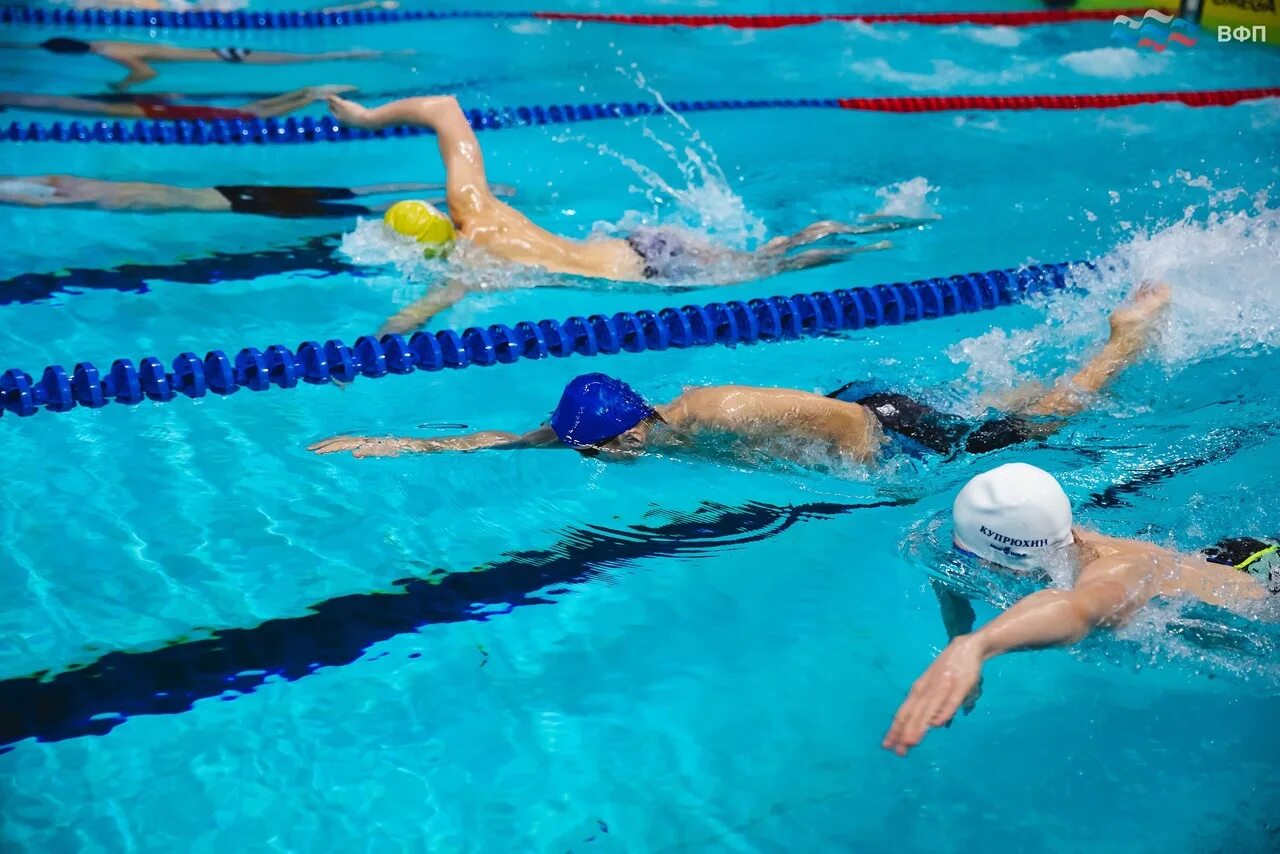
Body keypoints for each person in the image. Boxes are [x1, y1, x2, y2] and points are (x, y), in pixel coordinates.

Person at [308, 281, 1170, 463]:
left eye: (594, 451)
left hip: (876, 422)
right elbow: (503, 441)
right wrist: (388, 443)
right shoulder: (614, 429)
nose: (590, 460)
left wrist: (876, 480)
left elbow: (844, 423)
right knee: (994, 404)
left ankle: (1120, 343)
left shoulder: (709, 409)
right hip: (844, 409)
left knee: (1048, 424)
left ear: (626, 429)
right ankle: (1046, 369)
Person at [323, 93, 912, 326]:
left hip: (643, 276)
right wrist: (365, 118)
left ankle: (869, 240)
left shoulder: (465, 268)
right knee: (762, 258)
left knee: (769, 268)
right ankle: (855, 225)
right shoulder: (479, 211)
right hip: (642, 243)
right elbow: (443, 108)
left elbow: (412, 318)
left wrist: (367, 350)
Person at [882, 462, 1279, 758]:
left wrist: (979, 646)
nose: (976, 569)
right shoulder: (1042, 541)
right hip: (1228, 557)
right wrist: (959, 641)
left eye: (985, 562)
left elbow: (1077, 610)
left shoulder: (1115, 573)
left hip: (1264, 593)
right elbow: (950, 576)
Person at [1, 36, 396, 90]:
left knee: (310, 59)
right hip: (222, 52)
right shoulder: (105, 41)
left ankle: (370, 55)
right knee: (306, 58)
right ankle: (363, 53)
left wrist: (121, 87)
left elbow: (147, 72)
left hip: (229, 60)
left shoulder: (108, 53)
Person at [0, 175, 468, 218]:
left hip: (232, 204)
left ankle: (449, 204)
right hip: (226, 188)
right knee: (352, 192)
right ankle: (455, 192)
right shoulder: (64, 180)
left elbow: (26, 197)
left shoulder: (60, 199)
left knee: (351, 207)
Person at [0, 84, 353, 122]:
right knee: (251, 111)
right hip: (164, 110)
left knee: (250, 114)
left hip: (163, 111)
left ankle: (306, 95)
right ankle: (304, 94)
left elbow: (68, 107)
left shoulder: (129, 110)